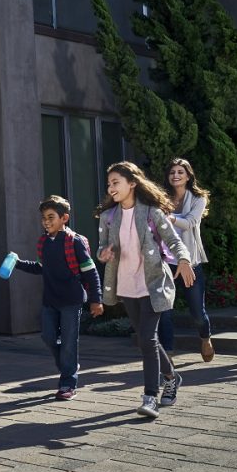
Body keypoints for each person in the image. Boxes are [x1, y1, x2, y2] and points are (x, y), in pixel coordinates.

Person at [95, 161, 195, 419]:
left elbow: (174, 240)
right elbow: (101, 248)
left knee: (147, 339)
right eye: (109, 184)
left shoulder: (151, 212)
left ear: (132, 184)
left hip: (153, 284)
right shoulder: (108, 217)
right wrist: (103, 254)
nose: (111, 187)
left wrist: (183, 260)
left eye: (116, 182)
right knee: (146, 339)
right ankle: (172, 376)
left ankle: (150, 396)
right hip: (127, 286)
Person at [13, 195, 103, 401]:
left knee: (70, 343)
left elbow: (91, 272)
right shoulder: (43, 242)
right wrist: (18, 263)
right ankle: (68, 365)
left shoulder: (75, 242)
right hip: (50, 300)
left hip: (72, 300)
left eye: (51, 217)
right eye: (44, 217)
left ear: (64, 218)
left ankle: (67, 384)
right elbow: (41, 268)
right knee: (48, 337)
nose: (46, 221)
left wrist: (96, 299)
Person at [160, 158, 214, 362]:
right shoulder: (162, 198)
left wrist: (170, 218)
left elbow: (190, 222)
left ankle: (205, 338)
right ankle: (168, 353)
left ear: (188, 175)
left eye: (180, 172)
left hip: (190, 263)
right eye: (172, 172)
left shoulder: (199, 198)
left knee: (197, 312)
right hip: (166, 262)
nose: (175, 175)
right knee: (164, 310)